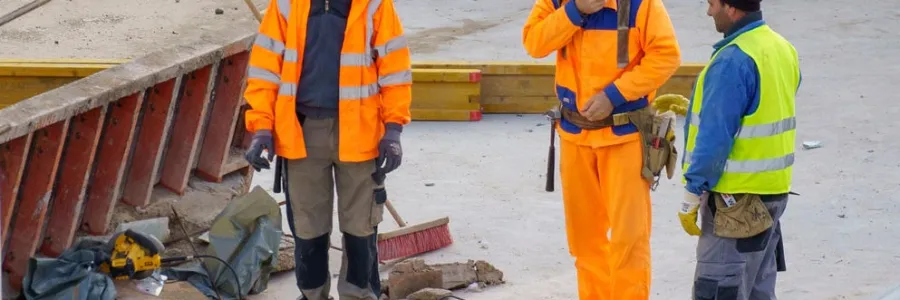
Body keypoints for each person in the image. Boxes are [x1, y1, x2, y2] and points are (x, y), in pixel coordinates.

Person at [241, 0, 413, 299]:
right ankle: (312, 295)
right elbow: (265, 70)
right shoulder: (285, 5)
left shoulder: (374, 5)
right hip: (302, 133)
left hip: (360, 133)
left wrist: (393, 129)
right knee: (308, 228)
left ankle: (358, 295)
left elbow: (394, 68)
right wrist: (262, 127)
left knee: (361, 227)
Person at [522, 0, 682, 299]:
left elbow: (666, 55)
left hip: (625, 139)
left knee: (629, 240)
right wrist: (575, 11)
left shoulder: (641, 5)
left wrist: (615, 95)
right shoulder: (558, 3)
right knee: (586, 242)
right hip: (575, 138)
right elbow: (534, 42)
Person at [677, 0, 801, 299]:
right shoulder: (782, 48)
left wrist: (692, 194)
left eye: (712, 4)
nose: (709, 12)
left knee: (719, 288)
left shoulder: (732, 60)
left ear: (730, 8)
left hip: (735, 207)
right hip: (771, 197)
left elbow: (715, 138)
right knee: (758, 290)